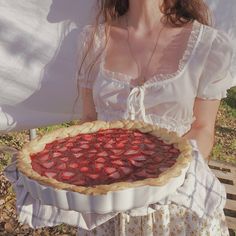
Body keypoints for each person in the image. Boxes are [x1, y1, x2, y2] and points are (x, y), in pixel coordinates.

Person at [74, 0, 234, 235]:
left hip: (176, 206)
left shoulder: (209, 45)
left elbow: (203, 127)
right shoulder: (94, 40)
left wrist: (160, 177)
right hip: (109, 203)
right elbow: (89, 120)